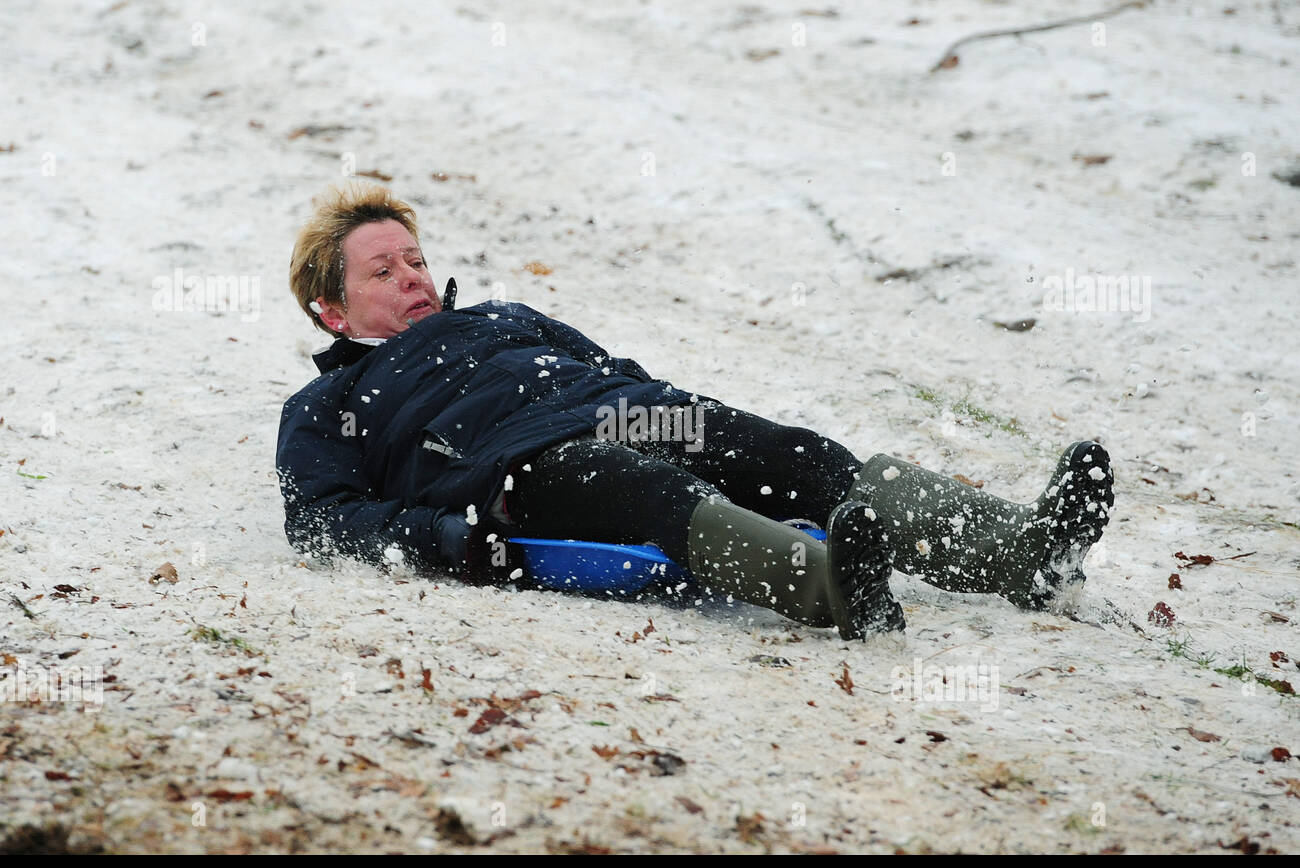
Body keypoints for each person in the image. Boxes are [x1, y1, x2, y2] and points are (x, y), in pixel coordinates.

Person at [276, 185, 1115, 640]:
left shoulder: (503, 316)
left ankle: (1020, 555)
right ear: (332, 311)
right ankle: (828, 590)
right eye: (382, 272)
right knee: (645, 493)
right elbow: (319, 519)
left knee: (793, 455)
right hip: (516, 464)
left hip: (627, 410)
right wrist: (447, 539)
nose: (414, 278)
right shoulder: (328, 403)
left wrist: (685, 416)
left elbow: (610, 368)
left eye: (416, 259)